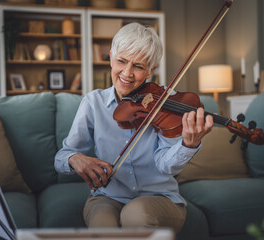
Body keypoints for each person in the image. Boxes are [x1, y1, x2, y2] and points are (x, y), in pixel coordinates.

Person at [54, 22, 213, 233]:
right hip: (107, 196)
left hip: (160, 199)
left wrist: (188, 145)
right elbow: (62, 156)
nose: (127, 73)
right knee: (103, 228)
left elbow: (166, 166)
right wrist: (74, 159)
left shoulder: (164, 106)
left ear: (151, 70)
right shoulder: (93, 103)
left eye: (138, 66)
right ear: (110, 57)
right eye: (121, 61)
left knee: (135, 214)